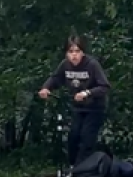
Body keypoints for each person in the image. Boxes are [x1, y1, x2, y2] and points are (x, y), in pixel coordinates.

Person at [37, 36, 110, 169]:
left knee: (86, 138)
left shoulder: (92, 65)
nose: (74, 55)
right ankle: (73, 165)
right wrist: (45, 88)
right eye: (71, 52)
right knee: (73, 136)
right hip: (78, 108)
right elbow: (55, 78)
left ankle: (82, 168)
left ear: (83, 52)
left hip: (95, 108)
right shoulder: (65, 65)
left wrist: (87, 93)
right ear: (66, 53)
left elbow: (104, 86)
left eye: (77, 51)